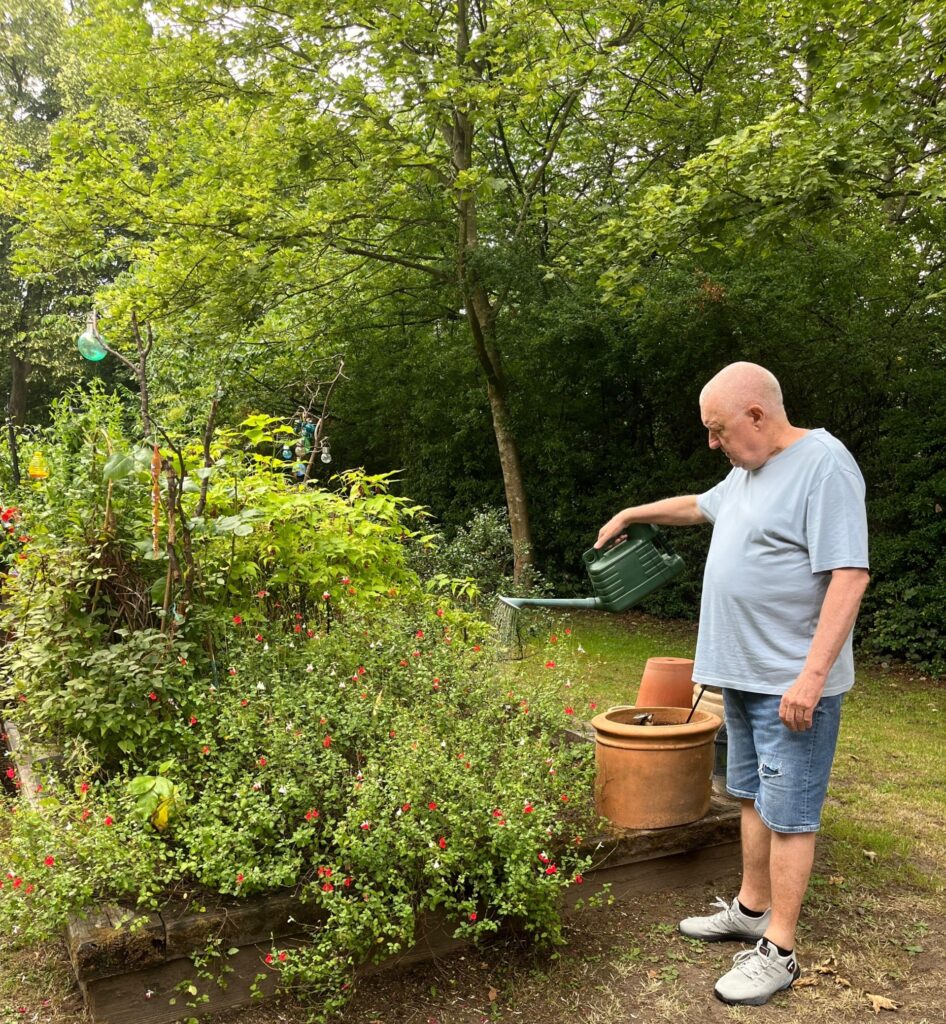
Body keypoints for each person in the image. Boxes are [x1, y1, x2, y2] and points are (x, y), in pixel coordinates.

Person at [596, 362, 869, 1007]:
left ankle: (779, 947)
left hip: (790, 686)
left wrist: (811, 676)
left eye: (717, 429)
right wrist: (633, 512)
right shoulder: (748, 471)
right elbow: (698, 506)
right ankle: (751, 907)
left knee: (792, 815)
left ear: (755, 414)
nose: (712, 443)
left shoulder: (824, 465)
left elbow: (849, 575)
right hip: (741, 678)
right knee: (748, 794)